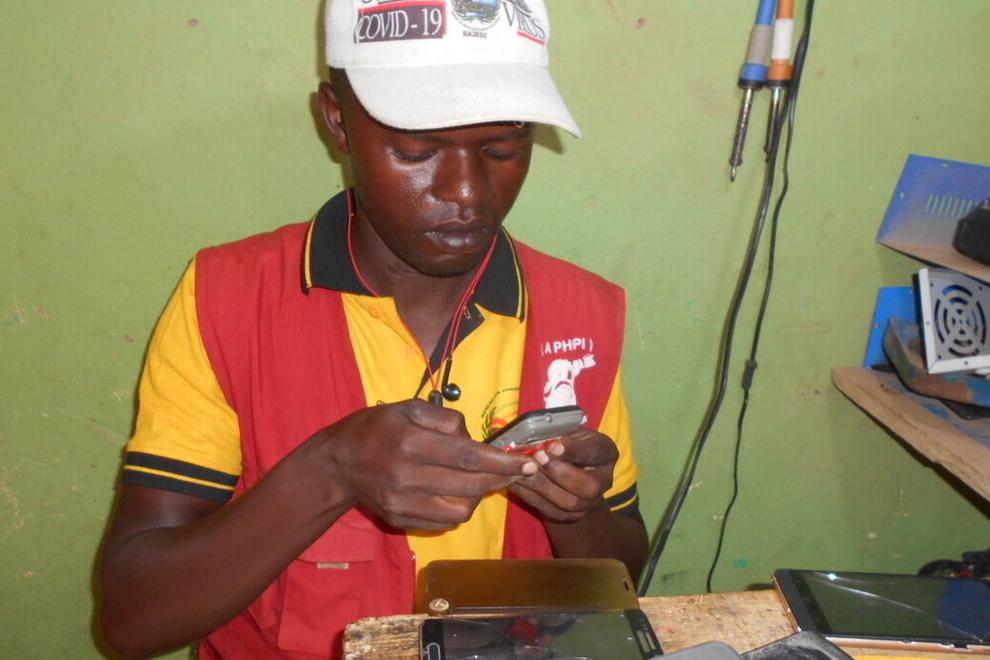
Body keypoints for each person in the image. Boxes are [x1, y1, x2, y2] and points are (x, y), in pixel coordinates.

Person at [98, 0, 649, 657]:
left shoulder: (580, 312)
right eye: (417, 150)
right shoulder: (229, 299)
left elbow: (623, 574)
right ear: (337, 120)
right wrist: (329, 473)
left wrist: (577, 511)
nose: (467, 191)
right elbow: (133, 619)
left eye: (502, 148)